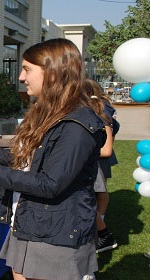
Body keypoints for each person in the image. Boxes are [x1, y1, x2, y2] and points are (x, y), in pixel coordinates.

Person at [0, 39, 106, 279]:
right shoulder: (49, 114)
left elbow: (49, 184)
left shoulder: (75, 126)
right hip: (31, 222)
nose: (21, 77)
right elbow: (28, 159)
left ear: (52, 74)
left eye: (27, 69)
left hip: (56, 233)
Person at [84, 79, 119, 253]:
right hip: (93, 161)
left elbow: (106, 150)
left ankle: (102, 232)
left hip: (95, 162)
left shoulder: (100, 115)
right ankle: (100, 229)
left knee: (88, 198)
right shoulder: (98, 112)